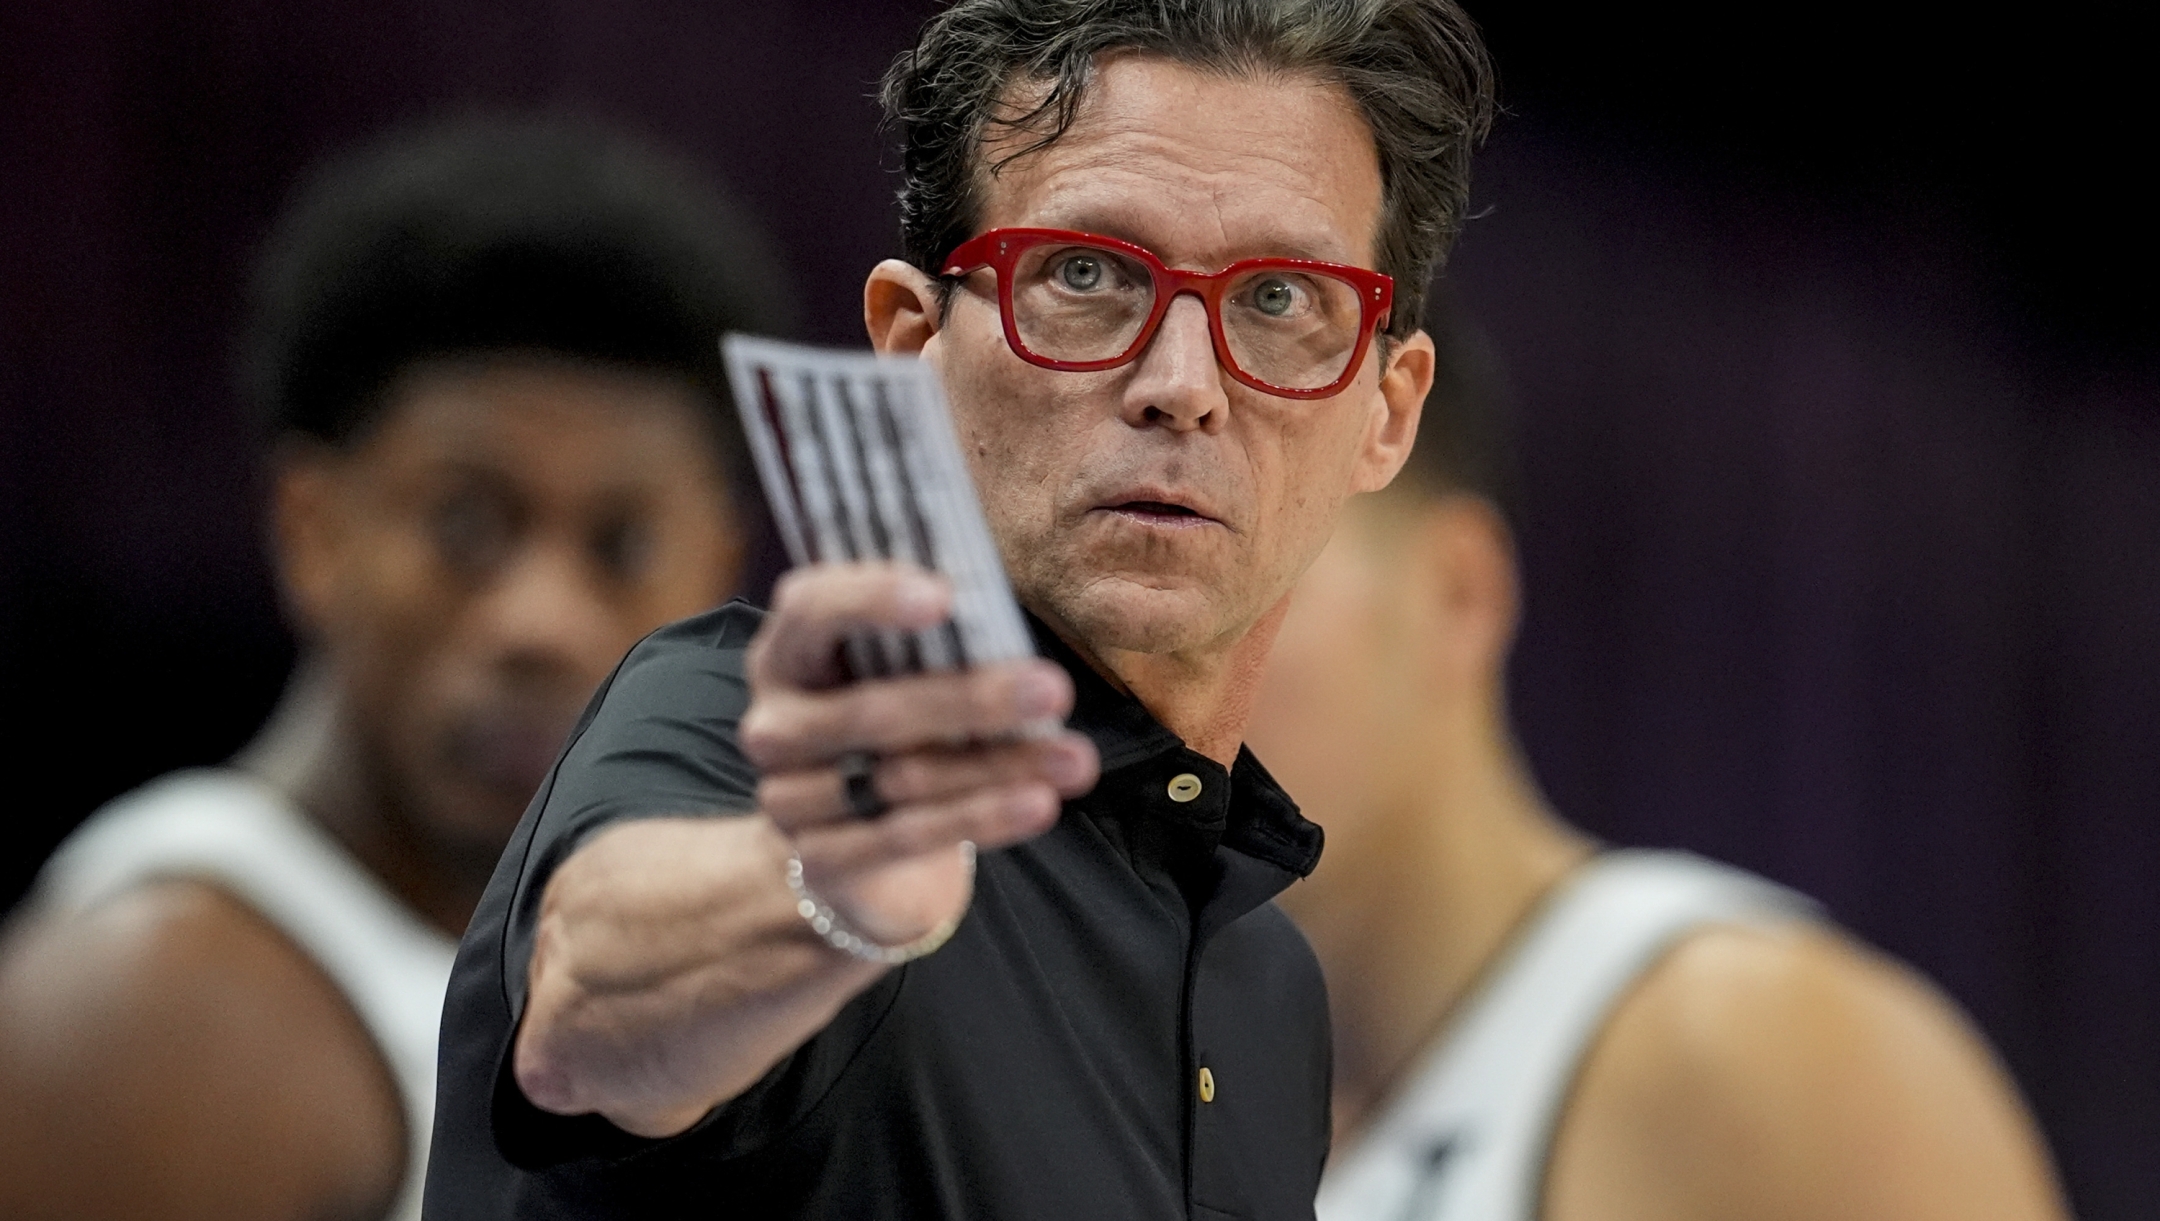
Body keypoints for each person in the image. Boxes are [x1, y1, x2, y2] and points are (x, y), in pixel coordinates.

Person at [421, 2, 1491, 1218]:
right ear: (909, 342)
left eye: (1282, 299)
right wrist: (820, 891)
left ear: (1388, 411)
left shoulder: (1269, 988)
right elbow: (585, 1016)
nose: (1182, 385)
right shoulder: (743, 722)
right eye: (1085, 274)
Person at [0, 117, 786, 1221]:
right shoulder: (156, 1006)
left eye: (620, 545)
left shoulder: (687, 969)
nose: (539, 621)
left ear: (716, 570)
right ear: (311, 530)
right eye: (466, 522)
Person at [1241, 295, 2072, 1221]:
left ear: (1455, 594)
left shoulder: (1755, 1057)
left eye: (1242, 587)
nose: (1165, 677)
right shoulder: (1177, 1117)